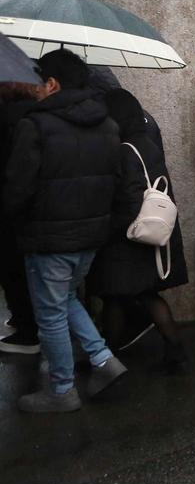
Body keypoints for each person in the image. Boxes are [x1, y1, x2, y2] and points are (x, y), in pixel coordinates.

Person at [3, 49, 126, 412]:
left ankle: (61, 389)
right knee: (66, 299)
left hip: (48, 238)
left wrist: (13, 221)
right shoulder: (108, 124)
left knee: (50, 313)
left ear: (52, 84)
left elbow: (18, 187)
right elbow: (116, 181)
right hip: (90, 237)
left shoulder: (35, 125)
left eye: (39, 81)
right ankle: (104, 359)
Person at [88, 89, 189, 374]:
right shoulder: (147, 142)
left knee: (130, 294)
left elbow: (130, 199)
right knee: (125, 294)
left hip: (129, 238)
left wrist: (109, 228)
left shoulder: (125, 149)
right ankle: (111, 354)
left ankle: (111, 357)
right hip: (148, 234)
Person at [0, 81, 40, 355]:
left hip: (10, 205)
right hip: (42, 208)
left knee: (11, 268)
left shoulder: (6, 119)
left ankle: (26, 329)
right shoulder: (42, 116)